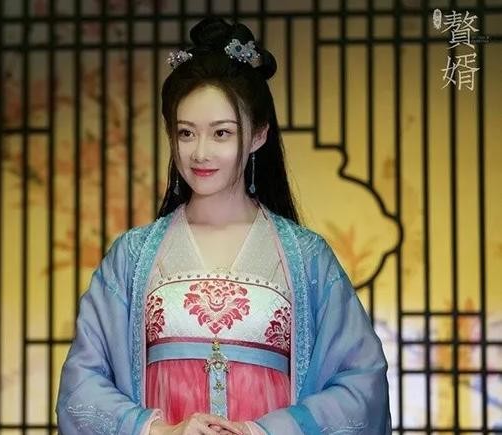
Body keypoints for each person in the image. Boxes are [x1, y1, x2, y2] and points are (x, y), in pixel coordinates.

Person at [56, 17, 391, 435]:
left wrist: (262, 431)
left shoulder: (307, 258)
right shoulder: (133, 256)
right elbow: (81, 383)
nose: (200, 153)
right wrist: (159, 430)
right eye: (186, 133)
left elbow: (361, 380)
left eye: (221, 134)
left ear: (258, 135)